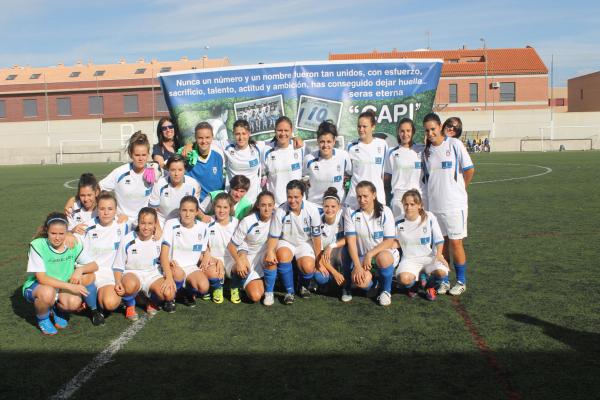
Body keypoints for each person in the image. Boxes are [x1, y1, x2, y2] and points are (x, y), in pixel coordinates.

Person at [421, 113, 475, 296]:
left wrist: (459, 189)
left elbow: (469, 170)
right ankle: (444, 280)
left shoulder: (454, 145)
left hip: (454, 205)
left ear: (440, 127)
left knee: (456, 242)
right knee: (441, 245)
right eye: (427, 130)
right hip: (435, 207)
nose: (430, 133)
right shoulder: (426, 152)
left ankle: (461, 281)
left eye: (433, 129)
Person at [22, 212, 99, 335]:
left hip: (61, 287)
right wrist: (71, 286)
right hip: (39, 287)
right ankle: (43, 319)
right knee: (48, 292)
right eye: (53, 233)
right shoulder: (37, 245)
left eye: (61, 233)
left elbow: (94, 265)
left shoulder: (72, 243)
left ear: (67, 232)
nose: (57, 237)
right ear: (47, 231)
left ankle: (56, 309)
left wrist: (79, 270)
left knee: (74, 302)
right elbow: (42, 278)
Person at [264, 180, 322, 305]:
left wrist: (319, 257)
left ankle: (302, 285)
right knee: (283, 256)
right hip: (286, 241)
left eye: (296, 197)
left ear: (303, 196)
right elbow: (274, 236)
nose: (292, 200)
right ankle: (290, 292)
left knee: (308, 267)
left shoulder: (312, 210)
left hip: (305, 243)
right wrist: (270, 251)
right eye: (289, 196)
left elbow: (316, 237)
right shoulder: (281, 211)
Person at [113, 207, 175, 321]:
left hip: (152, 275)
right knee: (130, 285)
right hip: (132, 274)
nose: (146, 227)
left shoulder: (160, 239)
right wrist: (117, 282)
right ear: (138, 222)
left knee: (169, 293)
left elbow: (166, 259)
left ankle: (149, 300)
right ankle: (130, 306)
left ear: (155, 224)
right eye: (143, 223)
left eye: (150, 223)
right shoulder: (127, 239)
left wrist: (169, 276)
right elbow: (118, 265)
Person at [343, 181, 398, 306]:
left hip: (384, 254)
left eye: (365, 196)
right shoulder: (350, 212)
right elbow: (351, 242)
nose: (362, 200)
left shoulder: (385, 211)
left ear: (374, 195)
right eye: (359, 196)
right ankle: (375, 285)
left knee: (383, 258)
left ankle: (386, 291)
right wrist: (357, 265)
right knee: (360, 281)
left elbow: (389, 241)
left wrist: (370, 254)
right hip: (363, 257)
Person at [78, 192, 129, 323]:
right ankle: (93, 309)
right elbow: (72, 240)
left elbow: (145, 224)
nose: (106, 212)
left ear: (116, 210)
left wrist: (157, 228)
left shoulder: (123, 225)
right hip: (91, 273)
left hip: (111, 274)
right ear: (97, 209)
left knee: (110, 303)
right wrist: (70, 232)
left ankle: (96, 299)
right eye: (102, 209)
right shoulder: (86, 227)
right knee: (84, 276)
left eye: (110, 209)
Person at [395, 190, 449, 301]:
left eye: (412, 204)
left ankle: (430, 286)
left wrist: (439, 255)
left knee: (441, 272)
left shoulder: (429, 217)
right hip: (410, 260)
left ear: (419, 205)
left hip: (430, 257)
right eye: (406, 204)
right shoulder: (398, 221)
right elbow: (392, 242)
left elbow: (439, 239)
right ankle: (414, 286)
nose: (408, 207)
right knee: (403, 279)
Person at [160, 196, 211, 309]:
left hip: (191, 267)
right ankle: (171, 298)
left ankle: (184, 291)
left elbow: (205, 248)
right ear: (180, 211)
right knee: (178, 274)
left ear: (197, 212)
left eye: (191, 210)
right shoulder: (171, 224)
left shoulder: (203, 227)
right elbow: (164, 253)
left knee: (204, 287)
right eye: (184, 210)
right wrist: (168, 276)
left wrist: (207, 255)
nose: (187, 214)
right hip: (173, 266)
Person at [227, 191, 276, 305]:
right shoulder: (248, 221)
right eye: (263, 205)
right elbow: (232, 245)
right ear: (258, 205)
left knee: (273, 256)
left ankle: (269, 292)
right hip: (249, 258)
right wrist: (239, 260)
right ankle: (237, 284)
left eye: (270, 205)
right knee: (255, 296)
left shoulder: (277, 218)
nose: (267, 209)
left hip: (265, 256)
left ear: (274, 205)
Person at [97, 131, 155, 224]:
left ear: (148, 154)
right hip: (122, 221)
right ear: (130, 154)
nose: (140, 159)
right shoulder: (120, 172)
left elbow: (173, 175)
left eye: (144, 155)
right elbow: (97, 188)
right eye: (137, 155)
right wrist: (74, 200)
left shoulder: (153, 171)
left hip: (144, 223)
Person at [345, 110, 388, 209]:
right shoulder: (351, 146)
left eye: (364, 126)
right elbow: (348, 172)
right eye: (359, 126)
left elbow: (384, 172)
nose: (361, 129)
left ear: (373, 127)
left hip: (377, 199)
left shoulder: (383, 145)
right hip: (355, 199)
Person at [302, 121, 351, 207]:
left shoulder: (343, 156)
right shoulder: (309, 159)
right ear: (317, 141)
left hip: (337, 207)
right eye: (322, 142)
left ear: (334, 141)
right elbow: (301, 179)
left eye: (329, 141)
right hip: (315, 206)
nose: (325, 145)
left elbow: (350, 175)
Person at [384, 118, 425, 219]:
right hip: (399, 198)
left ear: (413, 132)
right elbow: (387, 177)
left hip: (418, 197)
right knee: (400, 231)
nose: (405, 134)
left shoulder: (422, 149)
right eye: (402, 131)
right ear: (398, 132)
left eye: (408, 131)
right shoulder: (392, 152)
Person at [204, 192, 239, 304]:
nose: (222, 210)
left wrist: (239, 260)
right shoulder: (208, 222)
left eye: (225, 207)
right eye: (218, 207)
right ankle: (217, 288)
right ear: (214, 207)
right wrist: (214, 260)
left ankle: (234, 287)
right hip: (214, 259)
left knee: (242, 268)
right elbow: (205, 247)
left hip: (231, 258)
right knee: (211, 273)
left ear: (230, 208)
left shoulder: (235, 222)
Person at [263, 116, 305, 205]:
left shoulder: (300, 147)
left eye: (286, 130)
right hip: (276, 205)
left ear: (291, 131)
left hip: (297, 204)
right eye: (279, 130)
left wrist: (295, 138)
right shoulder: (266, 149)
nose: (283, 133)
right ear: (275, 130)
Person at [149, 154, 200, 226]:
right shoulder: (159, 184)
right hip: (162, 223)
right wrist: (158, 229)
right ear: (168, 170)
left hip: (184, 223)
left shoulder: (193, 185)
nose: (176, 174)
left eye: (180, 170)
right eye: (173, 170)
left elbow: (194, 209)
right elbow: (152, 210)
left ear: (185, 170)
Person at [180, 122, 226, 202]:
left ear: (212, 137)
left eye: (207, 137)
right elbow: (166, 165)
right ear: (195, 138)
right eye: (200, 138)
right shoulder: (187, 155)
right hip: (196, 206)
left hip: (217, 205)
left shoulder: (218, 156)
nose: (204, 141)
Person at [222, 119, 264, 202]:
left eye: (244, 133)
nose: (241, 137)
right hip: (232, 200)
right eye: (237, 134)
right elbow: (207, 142)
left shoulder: (258, 146)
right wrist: (190, 145)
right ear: (233, 134)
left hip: (253, 200)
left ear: (249, 133)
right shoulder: (226, 146)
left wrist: (294, 138)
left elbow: (278, 142)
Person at [313, 187, 346, 291]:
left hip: (340, 252)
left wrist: (331, 246)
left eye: (333, 206)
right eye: (326, 206)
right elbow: (321, 254)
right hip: (324, 256)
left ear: (339, 207)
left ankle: (347, 282)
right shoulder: (317, 221)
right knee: (321, 278)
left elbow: (350, 239)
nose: (329, 209)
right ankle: (331, 279)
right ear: (322, 206)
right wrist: (335, 273)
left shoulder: (343, 216)